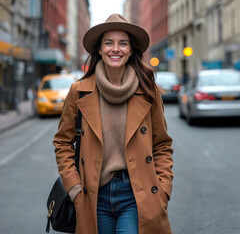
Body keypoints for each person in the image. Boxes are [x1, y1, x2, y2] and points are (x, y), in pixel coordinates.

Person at [53, 13, 174, 234]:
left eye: (122, 43)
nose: (115, 49)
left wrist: (163, 190)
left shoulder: (149, 92)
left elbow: (162, 145)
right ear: (99, 49)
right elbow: (62, 143)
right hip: (92, 195)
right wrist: (74, 188)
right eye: (108, 43)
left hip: (137, 193)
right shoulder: (78, 92)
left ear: (131, 50)